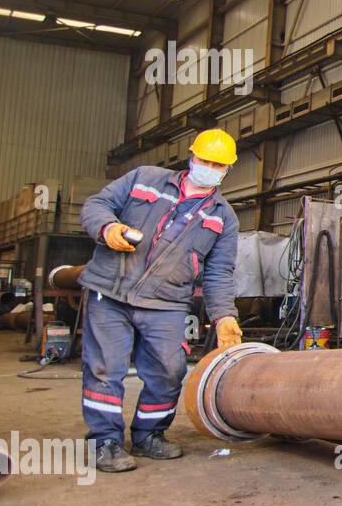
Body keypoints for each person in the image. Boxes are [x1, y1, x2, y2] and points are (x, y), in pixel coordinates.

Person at [78, 129, 243, 472]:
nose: (209, 167)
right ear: (191, 157)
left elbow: (219, 273)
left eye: (218, 164)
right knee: (106, 367)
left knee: (169, 371)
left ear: (228, 169)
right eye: (204, 160)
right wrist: (107, 228)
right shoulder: (145, 179)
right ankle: (104, 442)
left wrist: (225, 316)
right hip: (110, 291)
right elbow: (97, 204)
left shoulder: (223, 218)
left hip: (166, 303)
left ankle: (149, 436)